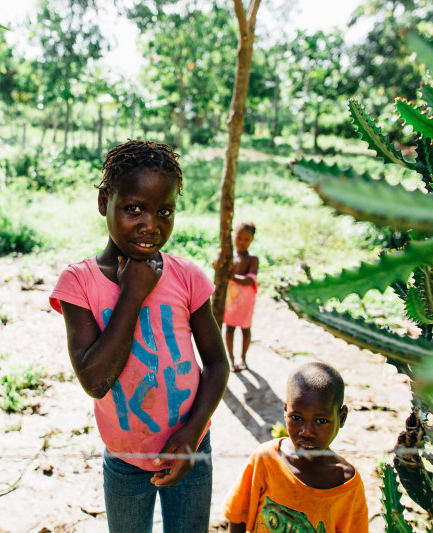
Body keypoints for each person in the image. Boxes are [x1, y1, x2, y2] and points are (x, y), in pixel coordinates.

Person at [49, 140, 230, 533]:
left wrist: (192, 432)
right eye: (134, 208)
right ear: (104, 202)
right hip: (125, 461)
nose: (151, 224)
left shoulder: (187, 277)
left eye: (164, 211)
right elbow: (95, 381)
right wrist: (133, 291)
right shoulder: (78, 283)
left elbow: (217, 364)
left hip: (191, 449)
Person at [223, 361, 368, 532]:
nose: (306, 431)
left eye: (320, 421)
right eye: (297, 418)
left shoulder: (346, 486)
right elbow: (237, 515)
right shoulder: (266, 459)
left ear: (341, 417)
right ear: (285, 410)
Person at [223, 221, 258, 372]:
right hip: (231, 300)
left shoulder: (252, 259)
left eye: (246, 239)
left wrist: (233, 277)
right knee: (229, 328)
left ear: (252, 240)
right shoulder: (229, 256)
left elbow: (251, 279)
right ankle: (230, 359)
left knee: (245, 328)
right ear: (233, 237)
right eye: (239, 238)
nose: (242, 242)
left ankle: (243, 357)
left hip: (245, 302)